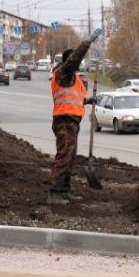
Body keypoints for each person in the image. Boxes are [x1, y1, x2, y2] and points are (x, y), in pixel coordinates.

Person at [48, 40, 92, 205]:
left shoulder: (73, 79)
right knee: (64, 156)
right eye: (77, 61)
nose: (79, 64)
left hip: (72, 122)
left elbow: (74, 98)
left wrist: (87, 100)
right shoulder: (63, 73)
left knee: (70, 157)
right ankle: (54, 193)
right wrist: (86, 43)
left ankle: (64, 191)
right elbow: (73, 60)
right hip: (64, 121)